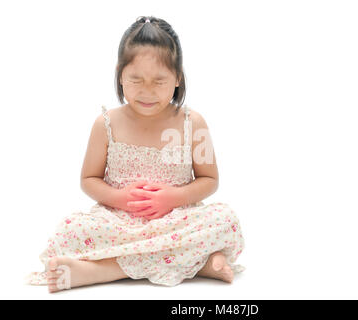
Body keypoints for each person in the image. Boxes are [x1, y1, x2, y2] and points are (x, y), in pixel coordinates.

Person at [24, 16, 245, 293]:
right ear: (120, 74)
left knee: (226, 219)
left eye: (159, 81)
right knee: (68, 228)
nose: (147, 91)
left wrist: (172, 198)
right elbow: (89, 178)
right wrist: (121, 199)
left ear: (177, 77)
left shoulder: (193, 122)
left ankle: (102, 271)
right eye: (136, 79)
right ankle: (200, 263)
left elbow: (209, 179)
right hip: (119, 223)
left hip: (176, 221)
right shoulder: (105, 123)